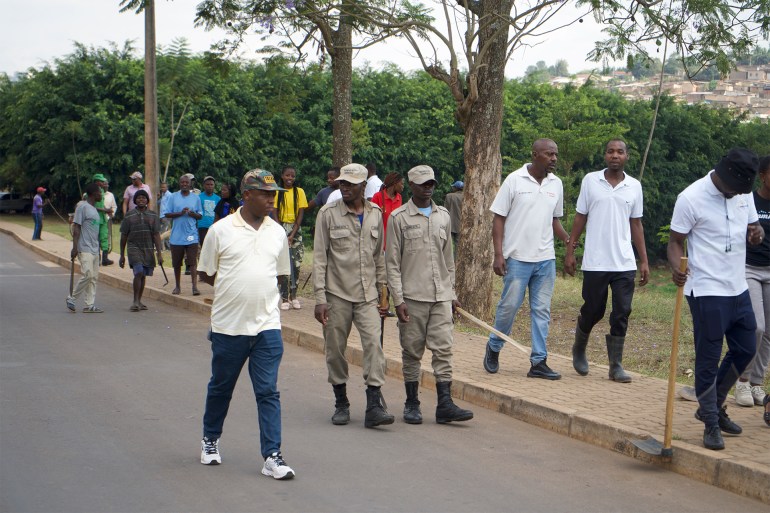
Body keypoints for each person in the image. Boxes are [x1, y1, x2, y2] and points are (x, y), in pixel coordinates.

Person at [197, 169, 295, 480]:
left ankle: (272, 456)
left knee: (268, 392)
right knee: (221, 388)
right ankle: (210, 440)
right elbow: (206, 273)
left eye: (273, 194)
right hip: (229, 327)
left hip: (267, 326)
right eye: (265, 194)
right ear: (247, 195)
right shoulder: (221, 230)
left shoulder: (277, 232)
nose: (271, 198)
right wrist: (234, 289)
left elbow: (280, 274)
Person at [668, 147, 762, 450]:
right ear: (722, 176)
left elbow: (753, 225)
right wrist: (675, 267)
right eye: (736, 189)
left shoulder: (742, 195)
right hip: (706, 290)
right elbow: (675, 241)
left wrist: (756, 232)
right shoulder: (691, 198)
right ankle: (710, 422)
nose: (739, 195)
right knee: (707, 359)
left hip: (738, 287)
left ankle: (713, 404)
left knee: (747, 346)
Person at [386, 165, 474, 425]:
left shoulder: (443, 216)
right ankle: (412, 402)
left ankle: (445, 404)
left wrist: (452, 293)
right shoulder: (398, 218)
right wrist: (398, 299)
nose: (429, 187)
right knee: (412, 352)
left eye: (431, 183)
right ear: (411, 185)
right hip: (412, 298)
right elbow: (392, 263)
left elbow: (449, 260)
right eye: (423, 183)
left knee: (444, 350)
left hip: (441, 298)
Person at [313, 163, 394, 428]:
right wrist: (320, 299)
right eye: (342, 183)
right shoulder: (327, 214)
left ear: (363, 186)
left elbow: (379, 258)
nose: (344, 187)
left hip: (367, 294)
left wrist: (384, 294)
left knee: (374, 345)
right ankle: (341, 402)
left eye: (350, 184)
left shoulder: (375, 214)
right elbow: (319, 259)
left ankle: (373, 406)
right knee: (335, 350)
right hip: (336, 294)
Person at [483, 139, 569, 380]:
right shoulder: (514, 180)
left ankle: (539, 361)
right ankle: (494, 346)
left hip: (545, 260)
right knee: (508, 308)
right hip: (518, 258)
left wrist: (567, 239)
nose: (554, 158)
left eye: (556, 154)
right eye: (549, 154)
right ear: (535, 155)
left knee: (541, 310)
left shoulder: (556, 184)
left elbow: (554, 219)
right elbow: (498, 218)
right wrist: (499, 255)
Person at [565, 139, 649, 383]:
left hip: (624, 262)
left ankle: (616, 365)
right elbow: (581, 217)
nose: (615, 155)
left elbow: (636, 224)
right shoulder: (591, 181)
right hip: (596, 261)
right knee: (593, 310)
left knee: (622, 311)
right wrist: (570, 251)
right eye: (610, 151)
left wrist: (643, 260)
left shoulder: (634, 186)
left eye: (620, 152)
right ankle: (579, 347)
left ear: (627, 156)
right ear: (605, 155)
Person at [736, 155, 770, 407]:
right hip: (749, 268)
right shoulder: (749, 200)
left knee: (769, 331)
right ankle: (742, 380)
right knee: (756, 326)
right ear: (762, 175)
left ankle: (757, 383)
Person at [119, 189, 163, 311]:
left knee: (143, 275)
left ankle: (139, 300)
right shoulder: (129, 215)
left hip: (148, 248)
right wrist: (122, 255)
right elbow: (124, 235)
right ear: (135, 200)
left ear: (147, 200)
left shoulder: (153, 215)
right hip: (133, 247)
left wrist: (159, 254)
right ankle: (135, 301)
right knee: (138, 272)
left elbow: (156, 235)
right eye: (138, 198)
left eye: (144, 198)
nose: (141, 200)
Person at [66, 183, 104, 313]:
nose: (101, 194)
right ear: (93, 194)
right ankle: (72, 298)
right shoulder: (82, 207)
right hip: (84, 247)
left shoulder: (94, 209)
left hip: (94, 248)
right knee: (87, 274)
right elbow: (76, 227)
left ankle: (89, 305)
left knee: (94, 278)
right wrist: (74, 247)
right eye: (99, 192)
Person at [162, 174, 203, 296]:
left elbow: (200, 215)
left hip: (191, 235)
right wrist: (180, 213)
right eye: (182, 183)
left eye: (187, 183)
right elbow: (167, 214)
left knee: (192, 262)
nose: (184, 184)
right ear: (180, 184)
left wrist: (191, 213)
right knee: (176, 263)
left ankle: (194, 287)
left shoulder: (196, 198)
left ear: (190, 184)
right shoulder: (173, 197)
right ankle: (177, 286)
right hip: (176, 237)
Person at [274, 166, 307, 310]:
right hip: (280, 227)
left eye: (292, 176)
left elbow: (301, 213)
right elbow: (274, 212)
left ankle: (294, 296)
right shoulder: (277, 192)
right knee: (283, 264)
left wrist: (292, 234)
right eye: (287, 175)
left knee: (296, 263)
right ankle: (285, 297)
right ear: (282, 176)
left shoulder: (299, 192)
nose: (290, 178)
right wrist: (281, 230)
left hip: (295, 228)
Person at [371, 172, 404, 243]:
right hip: (380, 241)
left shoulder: (399, 198)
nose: (403, 186)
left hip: (395, 241)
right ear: (395, 183)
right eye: (401, 183)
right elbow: (371, 219)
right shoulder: (377, 197)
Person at [92, 174, 114, 266]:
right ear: (96, 182)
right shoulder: (91, 191)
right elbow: (93, 206)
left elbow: (101, 204)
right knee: (96, 240)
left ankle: (105, 259)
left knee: (104, 238)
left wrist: (107, 211)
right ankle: (97, 259)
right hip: (95, 219)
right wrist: (105, 210)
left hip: (103, 219)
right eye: (101, 181)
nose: (103, 183)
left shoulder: (101, 191)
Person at [197, 176, 220, 246]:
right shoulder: (199, 197)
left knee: (213, 246)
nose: (209, 186)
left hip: (214, 226)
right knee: (204, 246)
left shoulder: (218, 198)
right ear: (204, 185)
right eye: (207, 184)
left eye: (211, 185)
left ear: (214, 186)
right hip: (202, 226)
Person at [444, 180, 463, 252]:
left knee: (447, 245)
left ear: (456, 188)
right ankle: (456, 262)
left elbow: (445, 210)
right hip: (461, 225)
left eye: (453, 187)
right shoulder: (466, 196)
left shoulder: (449, 196)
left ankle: (447, 262)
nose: (452, 188)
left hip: (449, 224)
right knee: (458, 245)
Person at [102, 177, 118, 264]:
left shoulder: (110, 195)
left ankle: (105, 258)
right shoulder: (95, 194)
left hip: (107, 219)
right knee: (97, 238)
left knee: (107, 238)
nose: (106, 185)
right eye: (104, 184)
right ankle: (97, 258)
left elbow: (114, 206)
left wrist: (112, 214)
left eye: (107, 184)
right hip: (98, 219)